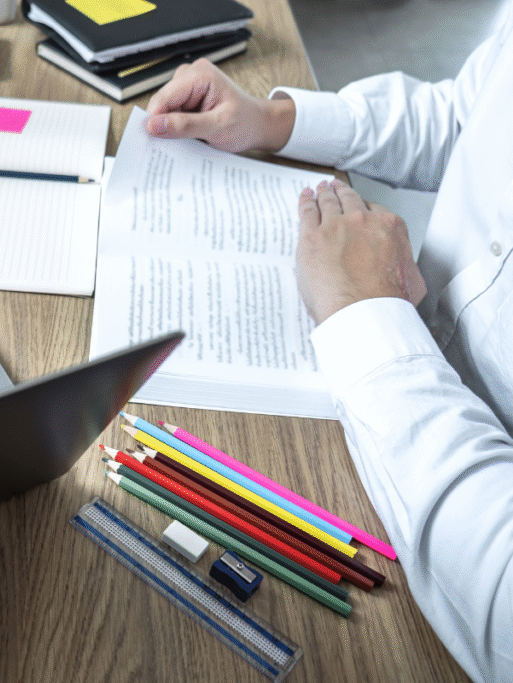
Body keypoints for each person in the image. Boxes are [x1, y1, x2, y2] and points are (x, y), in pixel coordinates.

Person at [144, 5, 513, 681]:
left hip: (427, 599)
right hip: (380, 396)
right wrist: (278, 121)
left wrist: (363, 313)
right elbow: (473, 114)